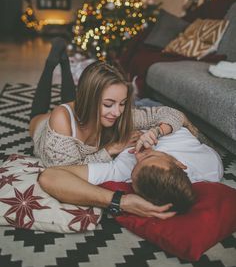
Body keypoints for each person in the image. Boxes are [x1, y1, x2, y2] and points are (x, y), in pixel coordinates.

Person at [29, 37, 196, 168]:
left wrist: (156, 131)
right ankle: (51, 64)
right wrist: (112, 149)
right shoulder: (60, 119)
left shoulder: (117, 115)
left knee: (71, 103)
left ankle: (64, 62)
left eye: (122, 103)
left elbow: (173, 114)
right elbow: (67, 171)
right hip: (43, 128)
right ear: (90, 100)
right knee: (39, 113)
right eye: (108, 104)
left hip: (79, 112)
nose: (117, 112)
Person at [39, 127, 223, 215]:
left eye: (135, 166)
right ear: (179, 163)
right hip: (152, 112)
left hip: (109, 126)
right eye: (151, 156)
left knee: (43, 122)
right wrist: (157, 129)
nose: (137, 154)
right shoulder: (211, 166)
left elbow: (50, 176)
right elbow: (179, 120)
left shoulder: (122, 171)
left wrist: (120, 201)